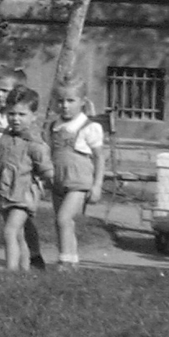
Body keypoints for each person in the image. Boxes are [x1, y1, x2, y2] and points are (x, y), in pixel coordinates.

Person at [0, 86, 55, 271]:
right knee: (20, 235)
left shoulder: (34, 143)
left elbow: (46, 169)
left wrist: (46, 181)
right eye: (11, 114)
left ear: (33, 116)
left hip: (24, 195)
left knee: (10, 231)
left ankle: (10, 271)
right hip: (5, 192)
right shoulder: (5, 137)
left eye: (21, 114)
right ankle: (25, 269)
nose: (15, 119)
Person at [48, 83, 106, 270]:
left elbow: (99, 157)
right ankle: (72, 259)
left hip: (79, 182)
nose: (65, 105)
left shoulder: (89, 127)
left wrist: (97, 185)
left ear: (82, 102)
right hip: (58, 180)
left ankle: (64, 260)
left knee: (63, 218)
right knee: (63, 222)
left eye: (70, 101)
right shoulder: (54, 126)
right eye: (61, 101)